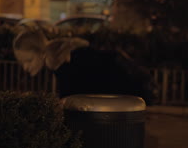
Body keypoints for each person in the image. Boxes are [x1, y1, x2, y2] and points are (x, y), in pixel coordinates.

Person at [13, 30, 155, 104]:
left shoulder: (64, 63)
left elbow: (72, 102)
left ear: (41, 52)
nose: (25, 67)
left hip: (125, 101)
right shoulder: (64, 56)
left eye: (29, 60)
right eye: (22, 63)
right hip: (125, 100)